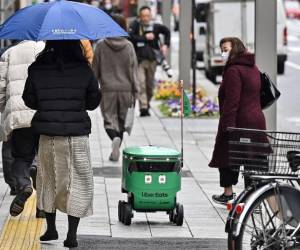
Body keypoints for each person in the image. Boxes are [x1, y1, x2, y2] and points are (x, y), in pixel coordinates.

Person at [22, 40, 101, 248]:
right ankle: (72, 235)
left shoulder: (37, 68)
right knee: (76, 183)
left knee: (48, 180)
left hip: (48, 135)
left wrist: (47, 102)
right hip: (76, 136)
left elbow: (29, 100)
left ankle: (51, 229)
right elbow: (93, 102)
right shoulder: (84, 69)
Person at [209, 37, 267, 205]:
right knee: (252, 157)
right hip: (256, 120)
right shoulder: (253, 68)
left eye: (226, 49)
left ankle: (228, 193)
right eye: (222, 49)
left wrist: (227, 125)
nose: (223, 53)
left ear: (236, 49)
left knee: (227, 155)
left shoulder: (234, 71)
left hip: (239, 121)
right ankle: (254, 198)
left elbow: (232, 101)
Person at [0, 40, 46, 218]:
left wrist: (4, 109)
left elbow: (1, 88)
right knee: (45, 161)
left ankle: (23, 183)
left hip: (18, 116)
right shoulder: (46, 49)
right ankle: (42, 207)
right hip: (42, 114)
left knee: (20, 157)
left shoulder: (9, 53)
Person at [92, 14, 138, 162]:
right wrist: (136, 90)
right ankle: (116, 147)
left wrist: (94, 86)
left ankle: (114, 140)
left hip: (108, 89)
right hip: (126, 88)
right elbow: (134, 70)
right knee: (122, 120)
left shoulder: (100, 45)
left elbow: (95, 70)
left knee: (109, 120)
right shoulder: (129, 46)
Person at [129, 5, 170, 117]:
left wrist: (166, 45)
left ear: (151, 16)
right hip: (139, 61)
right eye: (143, 16)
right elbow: (130, 37)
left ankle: (147, 102)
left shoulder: (155, 26)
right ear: (140, 16)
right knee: (140, 84)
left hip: (152, 60)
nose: (145, 18)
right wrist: (144, 38)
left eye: (147, 16)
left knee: (150, 86)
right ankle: (143, 107)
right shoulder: (135, 25)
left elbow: (167, 31)